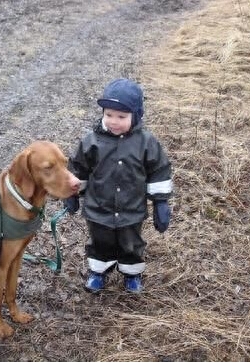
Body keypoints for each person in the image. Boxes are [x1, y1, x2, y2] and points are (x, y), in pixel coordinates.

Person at [64, 78, 173, 293]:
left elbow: (159, 170)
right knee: (100, 242)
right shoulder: (91, 141)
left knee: (130, 244)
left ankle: (132, 274)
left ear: (136, 115)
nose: (114, 121)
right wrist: (72, 192)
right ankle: (98, 272)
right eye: (108, 115)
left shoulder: (146, 142)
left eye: (121, 117)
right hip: (98, 209)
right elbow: (78, 168)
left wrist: (160, 202)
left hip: (131, 210)